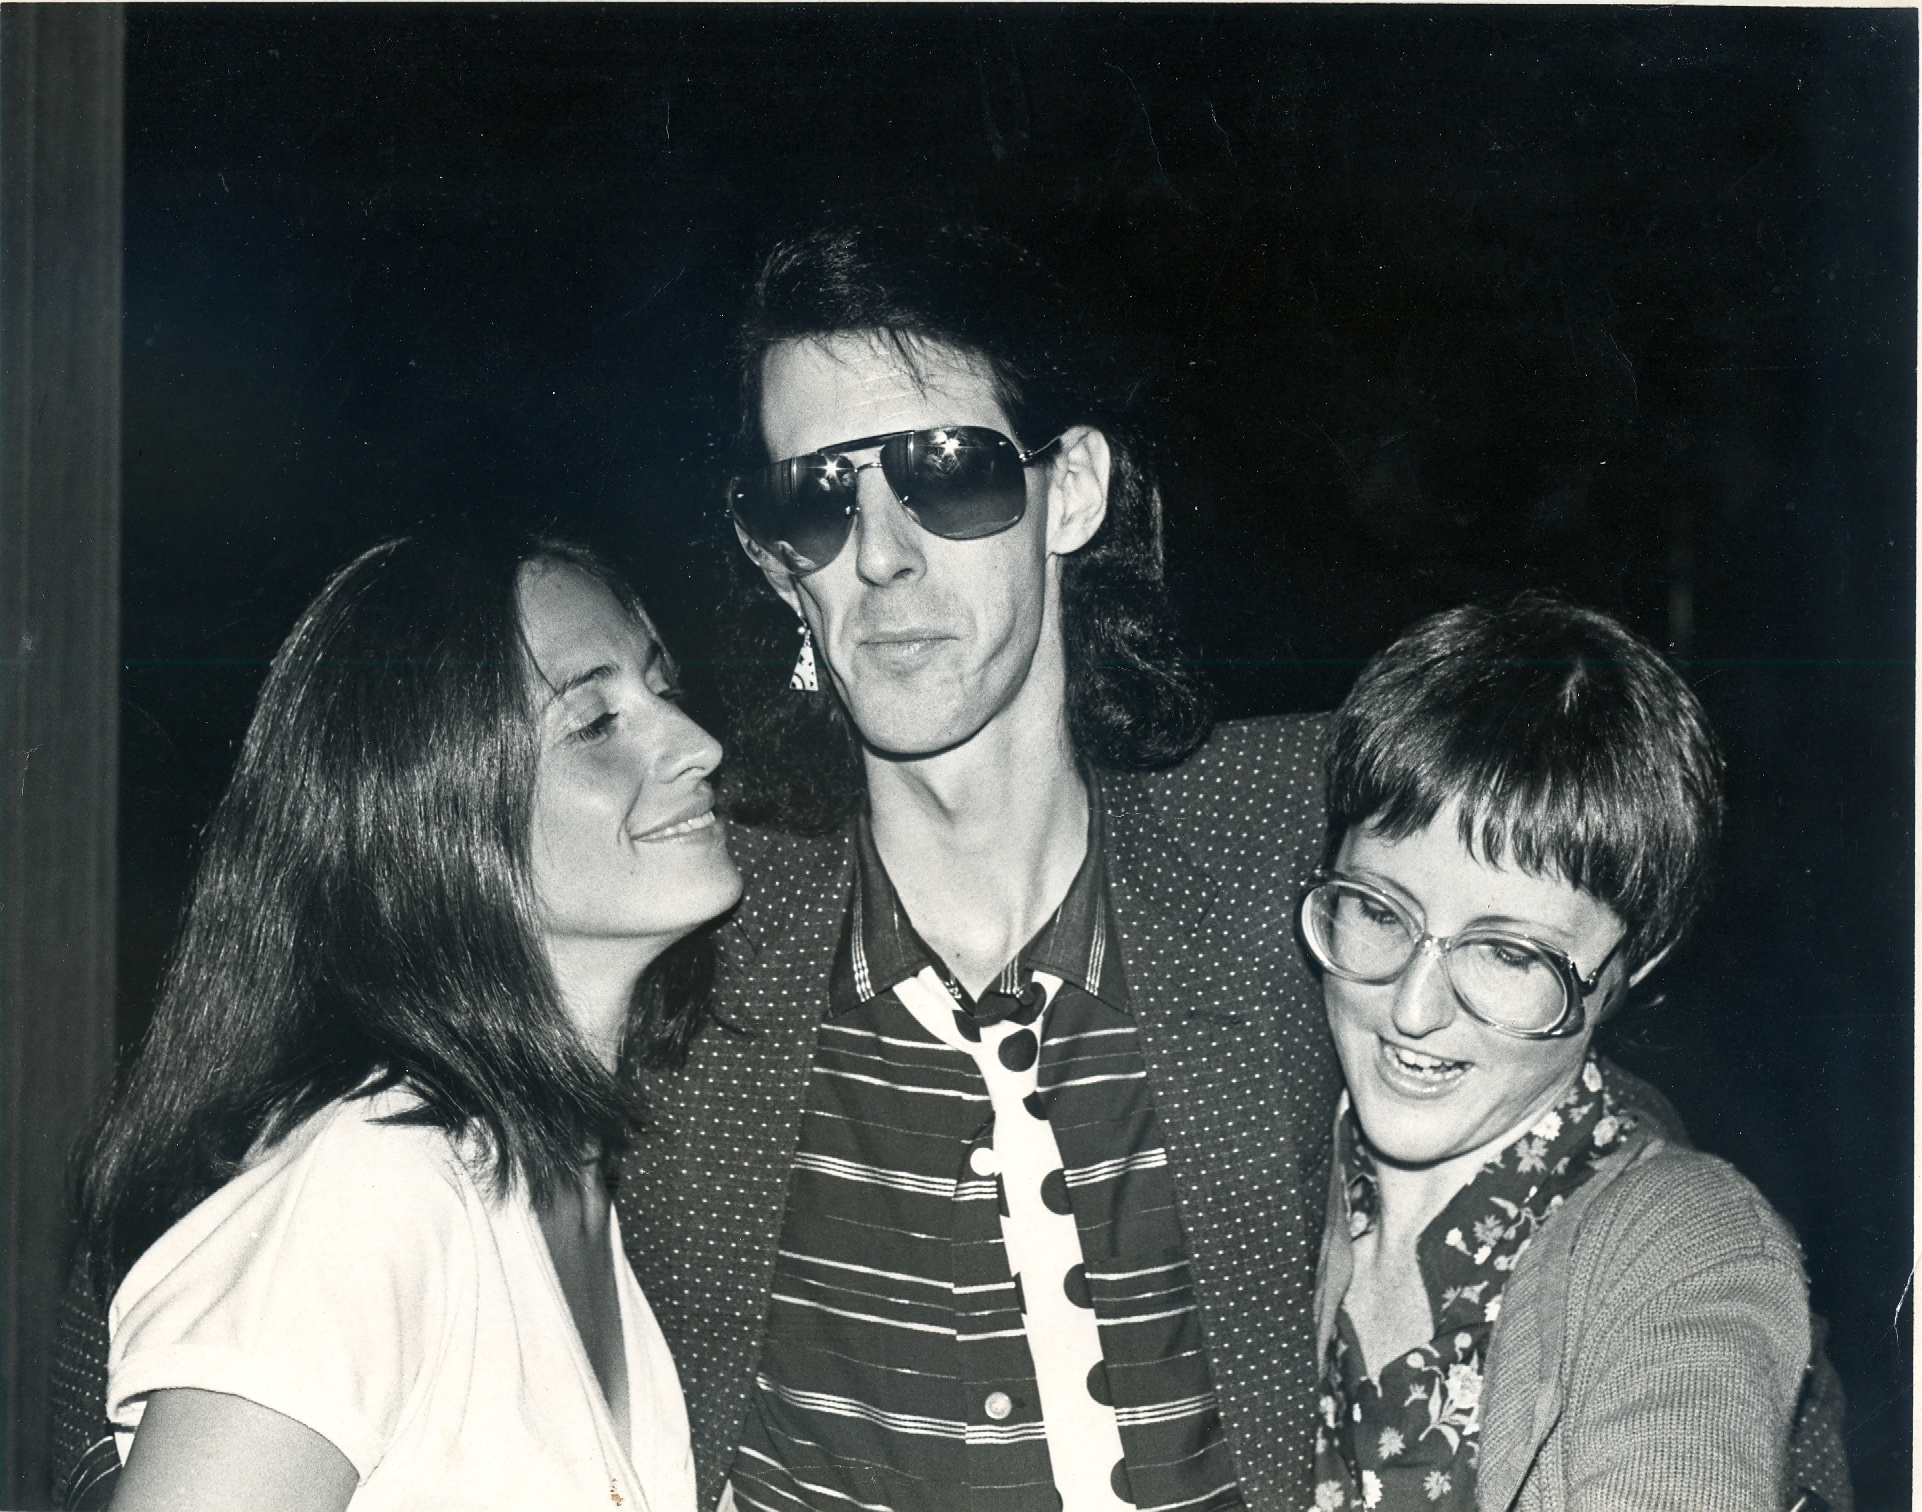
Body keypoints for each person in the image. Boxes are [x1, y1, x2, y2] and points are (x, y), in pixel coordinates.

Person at [611, 214, 1342, 1512]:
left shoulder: (1289, 840)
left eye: (944, 473)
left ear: (1069, 491)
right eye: (815, 497)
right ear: (777, 562)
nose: (880, 553)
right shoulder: (677, 933)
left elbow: (1601, 1153)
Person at [77, 531, 742, 1511]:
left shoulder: (571, 1184)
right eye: (597, 720)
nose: (698, 744)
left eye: (662, 688)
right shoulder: (369, 1184)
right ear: (437, 814)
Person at [1298, 596, 1824, 1511]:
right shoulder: (1258, 1129)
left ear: (1629, 968)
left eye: (1509, 954)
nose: (1414, 1011)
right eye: (1380, 912)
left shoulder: (1691, 1244)